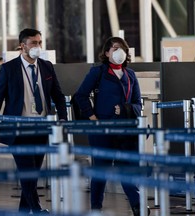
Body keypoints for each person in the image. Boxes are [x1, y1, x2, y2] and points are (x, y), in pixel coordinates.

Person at [0, 28, 67, 214]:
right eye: (33, 43)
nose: (38, 46)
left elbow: (57, 94)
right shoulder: (9, 69)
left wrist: (63, 117)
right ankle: (37, 209)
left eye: (40, 42)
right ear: (22, 46)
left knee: (32, 175)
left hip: (42, 127)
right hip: (19, 129)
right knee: (28, 172)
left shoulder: (47, 66)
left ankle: (24, 211)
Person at [74, 37, 150, 216]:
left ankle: (138, 208)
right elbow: (81, 96)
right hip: (103, 130)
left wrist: (125, 109)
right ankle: (96, 209)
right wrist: (93, 118)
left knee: (128, 172)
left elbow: (138, 103)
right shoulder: (97, 72)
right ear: (107, 52)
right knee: (100, 173)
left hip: (126, 131)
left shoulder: (130, 74)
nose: (119, 52)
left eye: (122, 48)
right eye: (115, 48)